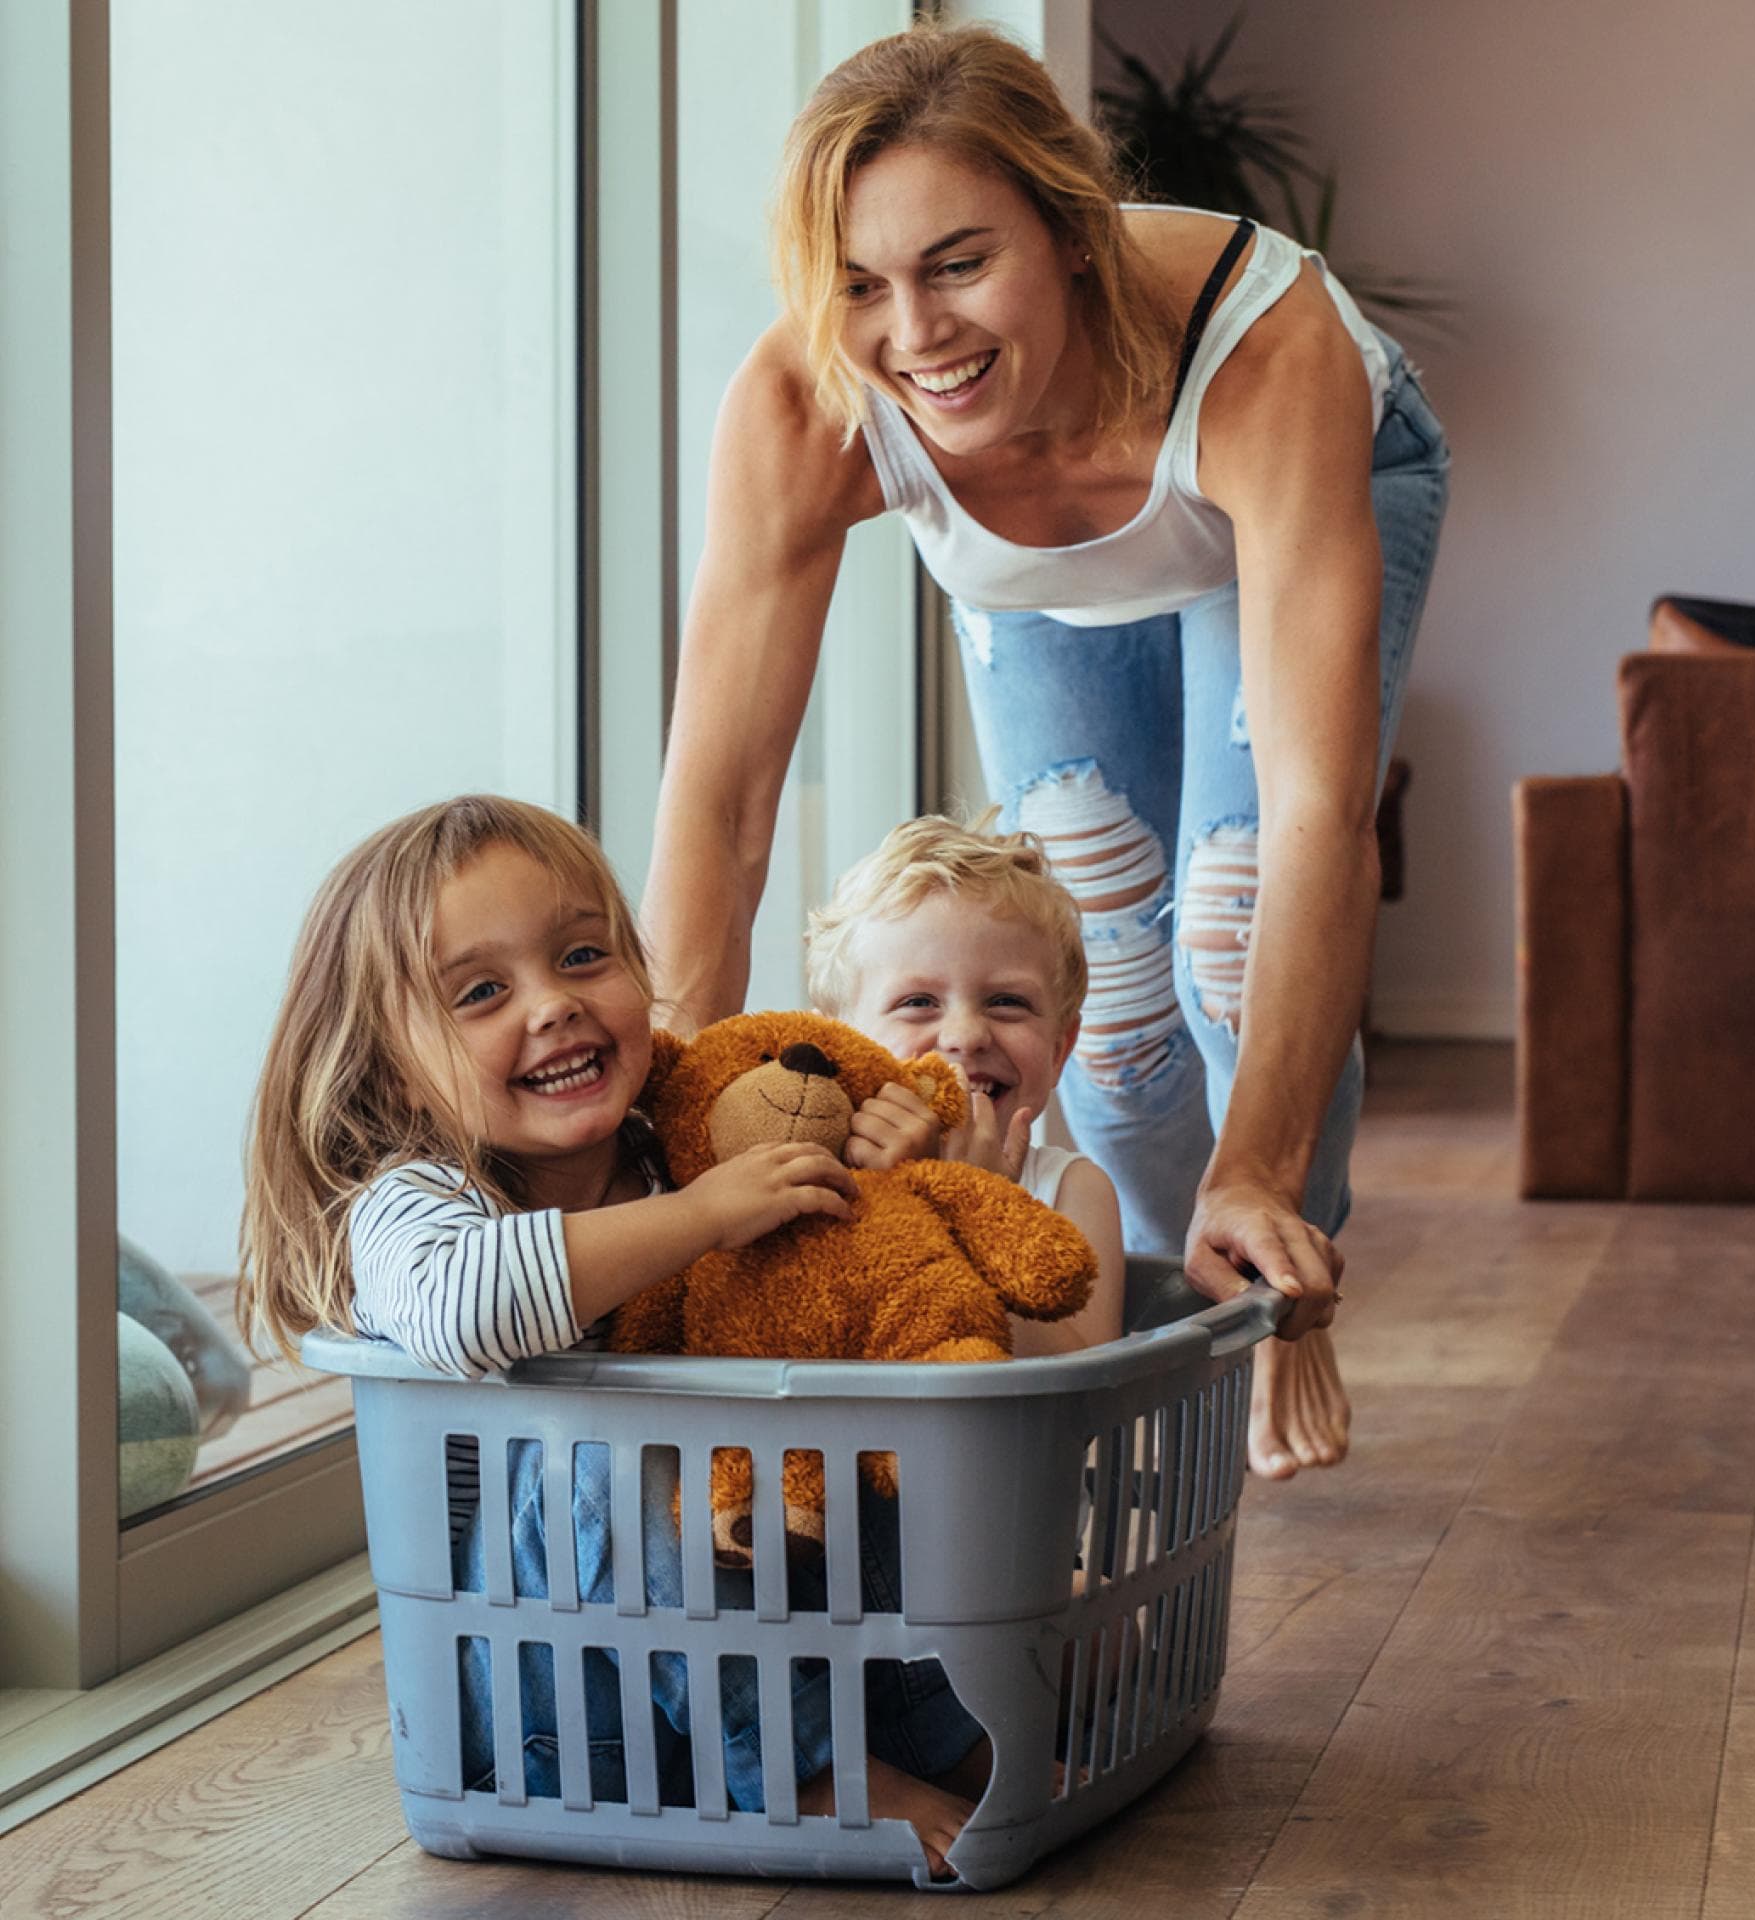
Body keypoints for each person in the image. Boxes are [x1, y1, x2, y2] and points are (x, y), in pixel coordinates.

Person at [639, 22, 1451, 1479]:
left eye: (959, 263)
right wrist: (664, 1129)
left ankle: (1276, 1278)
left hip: (1292, 491)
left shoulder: (1264, 345)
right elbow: (722, 799)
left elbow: (1324, 807)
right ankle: (1150, 1326)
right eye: (861, 285)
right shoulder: (808, 401)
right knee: (1116, 1009)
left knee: (1227, 911)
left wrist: (1259, 1165)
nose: (917, 334)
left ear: (1070, 232)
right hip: (1051, 582)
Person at [236, 792, 985, 1877]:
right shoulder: (414, 1202)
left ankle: (937, 1741)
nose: (553, 1006)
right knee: (612, 1446)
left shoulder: (683, 1147)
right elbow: (465, 1308)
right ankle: (812, 1772)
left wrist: (879, 1168)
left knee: (844, 1443)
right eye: (481, 992)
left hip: (746, 1684)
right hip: (560, 1723)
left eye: (585, 955)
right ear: (391, 1067)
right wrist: (710, 1214)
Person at [806, 810, 1126, 1353]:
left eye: (1007, 1002)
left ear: (1059, 1049)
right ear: (840, 1043)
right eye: (918, 1003)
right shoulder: (811, 1172)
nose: (965, 1035)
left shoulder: (1071, 1192)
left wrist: (973, 1206)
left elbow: (1081, 1379)